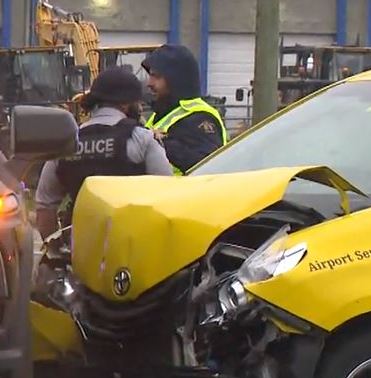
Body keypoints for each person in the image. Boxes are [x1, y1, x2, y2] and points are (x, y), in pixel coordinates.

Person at [34, 67, 175, 238]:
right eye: (137, 103)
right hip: (131, 247)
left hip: (79, 248)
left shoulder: (66, 143)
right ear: (125, 104)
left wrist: (55, 248)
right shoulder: (141, 138)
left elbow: (44, 207)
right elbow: (168, 194)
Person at [141, 44, 228, 173]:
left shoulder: (200, 117)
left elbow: (208, 164)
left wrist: (159, 141)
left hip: (185, 193)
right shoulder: (162, 114)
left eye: (156, 76)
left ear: (175, 80)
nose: (149, 83)